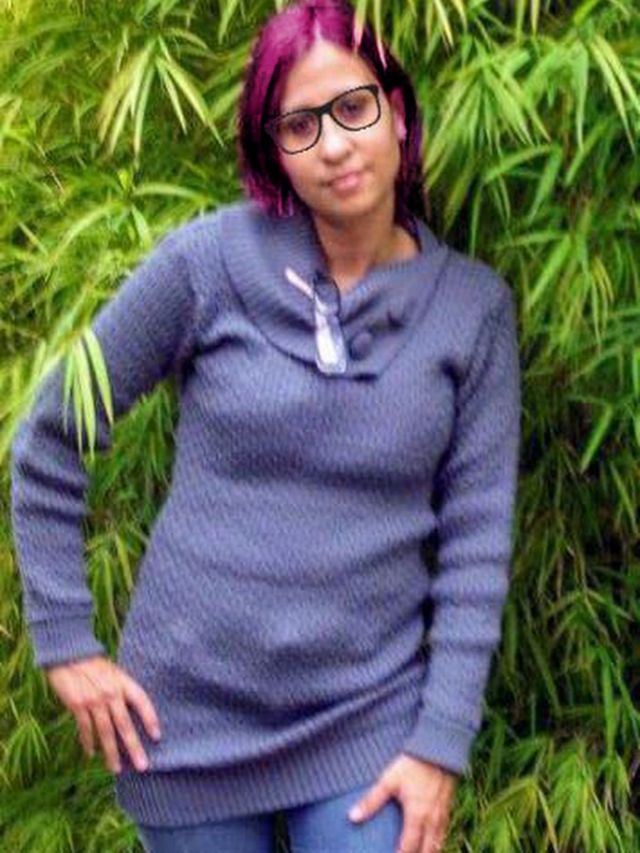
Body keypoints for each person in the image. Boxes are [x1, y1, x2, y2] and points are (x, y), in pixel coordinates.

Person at [9, 0, 522, 851]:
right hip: (181, 719)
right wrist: (65, 641)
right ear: (272, 150)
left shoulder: (472, 310)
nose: (334, 144)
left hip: (366, 718)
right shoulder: (205, 263)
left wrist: (439, 744)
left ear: (398, 112)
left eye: (353, 108)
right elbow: (51, 436)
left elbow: (477, 546)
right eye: (299, 125)